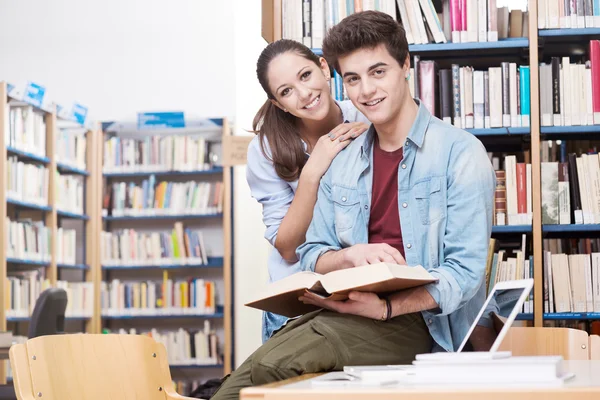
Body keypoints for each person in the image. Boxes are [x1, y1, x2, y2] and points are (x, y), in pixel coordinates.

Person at [211, 11, 496, 400]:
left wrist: (383, 309)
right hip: (340, 309)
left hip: (419, 319)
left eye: (378, 72)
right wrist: (349, 259)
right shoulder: (342, 157)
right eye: (353, 79)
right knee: (228, 392)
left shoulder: (460, 153)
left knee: (271, 368)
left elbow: (463, 273)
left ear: (406, 65)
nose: (366, 91)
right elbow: (309, 252)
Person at [246, 39, 370, 343]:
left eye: (305, 76)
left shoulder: (367, 120)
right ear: (278, 103)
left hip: (359, 289)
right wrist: (314, 169)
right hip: (297, 301)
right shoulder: (265, 149)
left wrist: (377, 134)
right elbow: (287, 247)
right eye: (286, 91)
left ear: (324, 67)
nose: (304, 94)